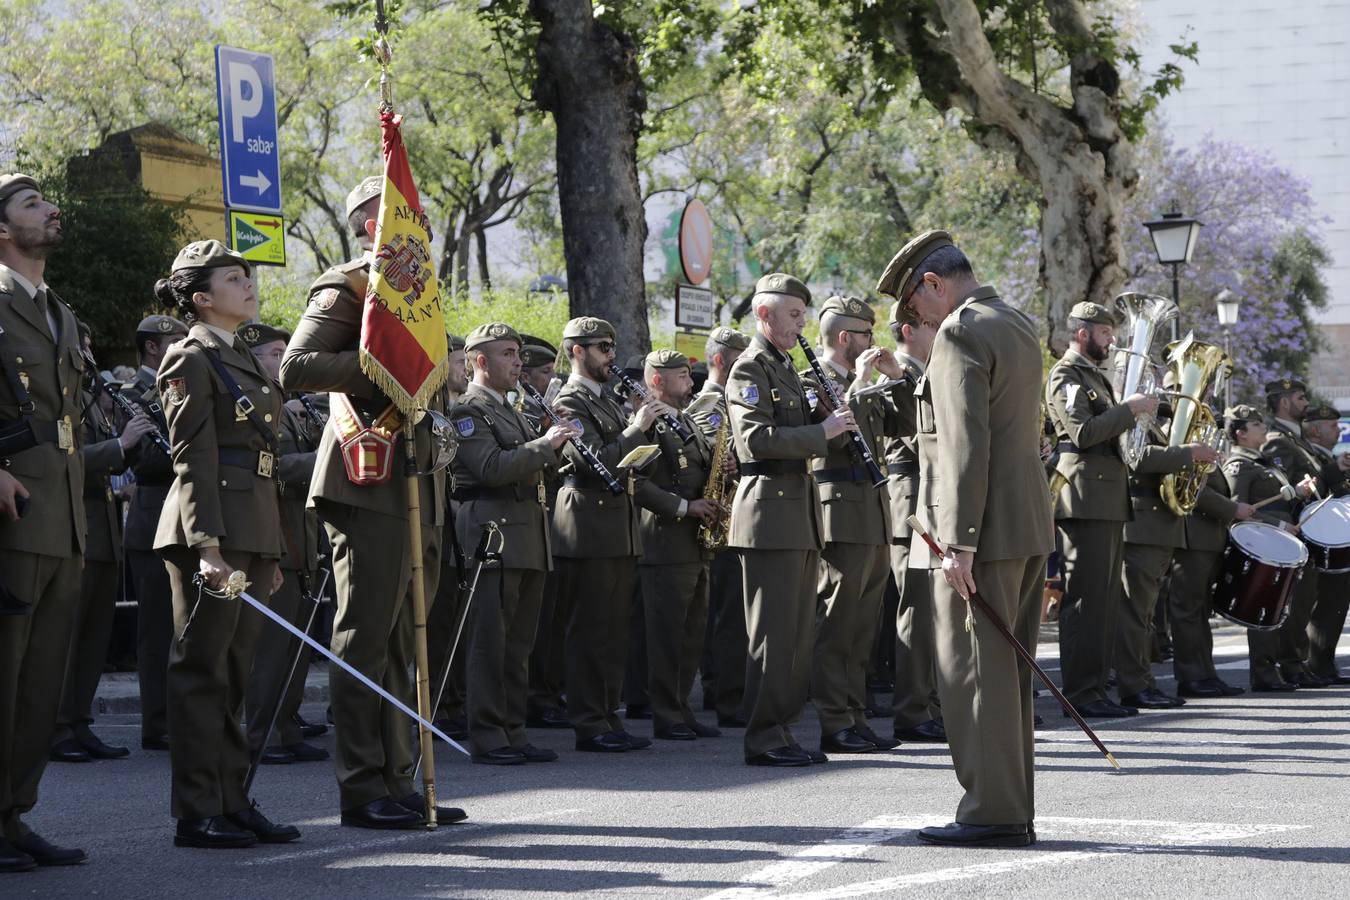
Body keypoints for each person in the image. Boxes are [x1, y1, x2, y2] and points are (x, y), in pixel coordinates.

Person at [280, 175, 462, 829]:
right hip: (369, 477)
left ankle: (398, 777)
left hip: (422, 482)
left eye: (422, 219)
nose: (421, 231)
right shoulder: (350, 285)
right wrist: (379, 360)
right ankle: (362, 787)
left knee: (406, 644)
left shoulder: (421, 295)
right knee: (365, 638)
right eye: (403, 217)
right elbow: (295, 368)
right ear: (369, 225)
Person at [877, 229, 1052, 848]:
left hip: (978, 531)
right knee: (1004, 675)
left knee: (972, 675)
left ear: (932, 283)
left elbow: (962, 448)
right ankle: (1009, 805)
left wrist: (957, 542)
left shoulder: (958, 331)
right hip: (1024, 523)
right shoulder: (1015, 320)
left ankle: (991, 813)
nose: (911, 319)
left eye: (911, 304)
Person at [151, 240, 297, 848]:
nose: (247, 285)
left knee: (235, 674)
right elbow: (192, 460)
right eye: (233, 278)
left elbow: (264, 462)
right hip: (212, 530)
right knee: (202, 671)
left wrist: (272, 550)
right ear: (201, 298)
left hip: (252, 529)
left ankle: (233, 798)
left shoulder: (237, 353)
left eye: (246, 276)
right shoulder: (192, 356)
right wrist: (207, 547)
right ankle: (196, 810)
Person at [726, 273, 855, 767]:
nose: (803, 324)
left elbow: (810, 435)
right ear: (764, 315)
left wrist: (837, 424)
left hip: (797, 511)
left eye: (803, 314)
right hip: (768, 511)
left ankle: (781, 729)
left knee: (797, 635)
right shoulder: (749, 368)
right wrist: (821, 429)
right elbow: (756, 439)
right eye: (795, 315)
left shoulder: (783, 366)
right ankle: (763, 737)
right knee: (773, 635)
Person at [0, 172, 89, 870]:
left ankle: (14, 815)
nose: (50, 208)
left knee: (40, 683)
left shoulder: (56, 307)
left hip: (62, 511)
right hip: (14, 504)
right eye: (32, 203)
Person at [449, 322, 573, 765]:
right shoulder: (468, 411)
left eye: (518, 353)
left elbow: (535, 469)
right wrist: (545, 444)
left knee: (520, 644)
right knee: (490, 641)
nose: (519, 362)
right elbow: (489, 467)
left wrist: (553, 446)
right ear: (480, 361)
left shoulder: (513, 411)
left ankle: (513, 729)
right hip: (492, 530)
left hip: (525, 533)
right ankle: (488, 735)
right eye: (508, 354)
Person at [801, 295, 906, 754]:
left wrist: (897, 377)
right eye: (865, 334)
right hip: (839, 507)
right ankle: (834, 719)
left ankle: (856, 713)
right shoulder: (809, 380)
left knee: (864, 623)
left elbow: (907, 420)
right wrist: (861, 381)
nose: (872, 342)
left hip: (873, 508)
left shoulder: (868, 382)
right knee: (838, 620)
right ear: (845, 338)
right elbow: (830, 439)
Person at [551, 317, 658, 753]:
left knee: (614, 630)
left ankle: (608, 715)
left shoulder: (607, 400)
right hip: (587, 520)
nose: (610, 355)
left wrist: (647, 438)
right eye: (601, 347)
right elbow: (589, 458)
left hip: (615, 520)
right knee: (590, 628)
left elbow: (626, 459)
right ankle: (589, 721)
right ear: (577, 350)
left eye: (612, 346)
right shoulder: (569, 401)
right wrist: (637, 428)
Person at [1045, 302, 1157, 718]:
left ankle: (1096, 687)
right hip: (1085, 498)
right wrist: (1130, 410)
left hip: (1107, 498)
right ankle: (1081, 692)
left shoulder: (1095, 378)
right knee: (1085, 601)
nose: (1112, 341)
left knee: (1104, 601)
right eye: (1105, 333)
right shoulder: (1066, 375)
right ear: (1082, 334)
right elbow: (1084, 432)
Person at [50, 325, 156, 763]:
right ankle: (55, 728)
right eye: (83, 345)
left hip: (105, 532)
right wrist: (121, 443)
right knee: (69, 638)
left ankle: (79, 722)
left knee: (94, 637)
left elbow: (110, 456)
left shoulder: (91, 400)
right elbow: (64, 459)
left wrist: (131, 445)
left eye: (90, 344)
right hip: (79, 529)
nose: (88, 352)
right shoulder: (63, 398)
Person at [240, 323, 328, 766]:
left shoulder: (290, 408)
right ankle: (263, 734)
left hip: (302, 537)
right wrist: (323, 459)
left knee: (295, 648)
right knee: (270, 648)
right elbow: (270, 466)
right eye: (275, 354)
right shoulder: (256, 407)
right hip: (274, 535)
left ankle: (287, 724)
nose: (283, 361)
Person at [633, 349, 721, 741]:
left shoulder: (686, 418)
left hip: (694, 543)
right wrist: (686, 506)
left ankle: (682, 707)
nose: (690, 382)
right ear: (657, 381)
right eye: (682, 376)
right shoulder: (649, 422)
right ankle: (665, 713)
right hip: (665, 542)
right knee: (667, 635)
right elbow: (637, 482)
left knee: (692, 632)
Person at [1115, 418, 1220, 709]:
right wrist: (1189, 452)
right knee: (1135, 613)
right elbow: (1136, 457)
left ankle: (1144, 682)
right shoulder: (1130, 416)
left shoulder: (1147, 421)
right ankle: (1134, 685)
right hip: (1142, 526)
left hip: (1158, 527)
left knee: (1145, 614)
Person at [124, 314, 190, 751]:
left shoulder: (180, 388)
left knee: (186, 628)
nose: (184, 345)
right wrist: (192, 454)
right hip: (151, 518)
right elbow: (142, 462)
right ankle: (157, 722)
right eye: (175, 340)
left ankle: (182, 716)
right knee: (157, 631)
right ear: (153, 348)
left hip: (185, 516)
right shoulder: (133, 396)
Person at [882, 303, 945, 743]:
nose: (940, 330)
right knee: (918, 609)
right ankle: (913, 709)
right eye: (932, 324)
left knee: (936, 610)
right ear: (909, 329)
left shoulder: (923, 373)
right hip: (914, 498)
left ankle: (935, 703)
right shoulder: (898, 376)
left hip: (933, 495)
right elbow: (911, 436)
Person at [1222, 404, 1314, 692]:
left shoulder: (1263, 462)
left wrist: (1298, 492)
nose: (1264, 428)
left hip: (1281, 544)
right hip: (1263, 545)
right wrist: (1280, 525)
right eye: (1257, 425)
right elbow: (1238, 511)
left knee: (1282, 609)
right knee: (1262, 609)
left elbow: (1275, 500)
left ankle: (1280, 668)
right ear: (1241, 434)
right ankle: (1263, 673)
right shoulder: (1238, 465)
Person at [687, 326, 750, 728]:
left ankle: (724, 688)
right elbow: (710, 459)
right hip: (720, 521)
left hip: (735, 516)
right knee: (728, 617)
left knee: (730, 614)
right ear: (720, 360)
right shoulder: (709, 404)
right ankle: (727, 696)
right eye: (741, 359)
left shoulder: (732, 399)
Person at [1169, 417, 1254, 698]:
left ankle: (1205, 673)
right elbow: (1196, 489)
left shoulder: (1207, 454)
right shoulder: (1188, 447)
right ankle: (1191, 676)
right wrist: (1232, 509)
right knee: (1188, 610)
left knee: (1200, 612)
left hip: (1208, 539)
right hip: (1192, 539)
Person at [1261, 379, 1330, 687]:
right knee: (1296, 601)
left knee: (1303, 603)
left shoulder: (1295, 439)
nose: (1306, 403)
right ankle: (1290, 663)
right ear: (1284, 403)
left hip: (1308, 529)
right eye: (1301, 398)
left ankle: (1295, 663)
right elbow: (1281, 486)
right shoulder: (1277, 440)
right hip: (1292, 531)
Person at [519, 335, 572, 730]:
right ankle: (535, 696)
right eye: (544, 374)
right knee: (532, 623)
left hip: (547, 517)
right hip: (527, 517)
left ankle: (548, 691)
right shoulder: (520, 408)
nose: (550, 380)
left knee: (551, 616)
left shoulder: (539, 408)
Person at [1302, 404, 1350, 683]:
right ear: (1316, 430)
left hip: (1334, 540)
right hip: (1320, 541)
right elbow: (1315, 491)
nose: (1339, 429)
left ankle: (1324, 664)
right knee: (1325, 605)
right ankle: (1315, 663)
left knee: (1335, 606)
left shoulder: (1322, 455)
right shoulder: (1306, 454)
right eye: (1333, 425)